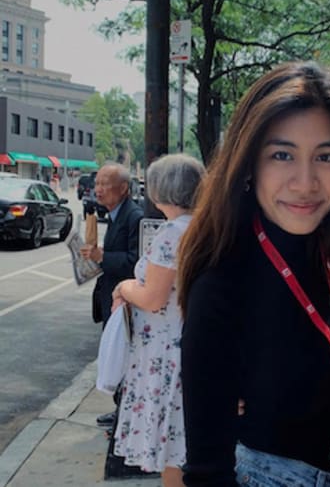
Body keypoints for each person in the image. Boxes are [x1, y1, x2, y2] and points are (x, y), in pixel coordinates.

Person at [178, 62, 330, 486]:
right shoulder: (223, 280)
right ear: (249, 163)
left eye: (326, 157)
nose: (305, 182)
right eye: (282, 155)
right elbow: (206, 470)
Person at [108, 153, 205, 487]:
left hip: (165, 352)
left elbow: (153, 297)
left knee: (172, 449)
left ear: (160, 191)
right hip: (192, 342)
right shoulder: (206, 228)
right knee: (187, 444)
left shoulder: (172, 234)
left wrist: (124, 287)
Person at [80, 162, 144, 428]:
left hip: (125, 300)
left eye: (105, 184)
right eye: (97, 183)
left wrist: (102, 256)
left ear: (124, 188)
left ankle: (124, 413)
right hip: (112, 296)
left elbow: (135, 262)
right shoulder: (115, 214)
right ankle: (120, 409)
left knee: (123, 356)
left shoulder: (134, 217)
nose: (98, 189)